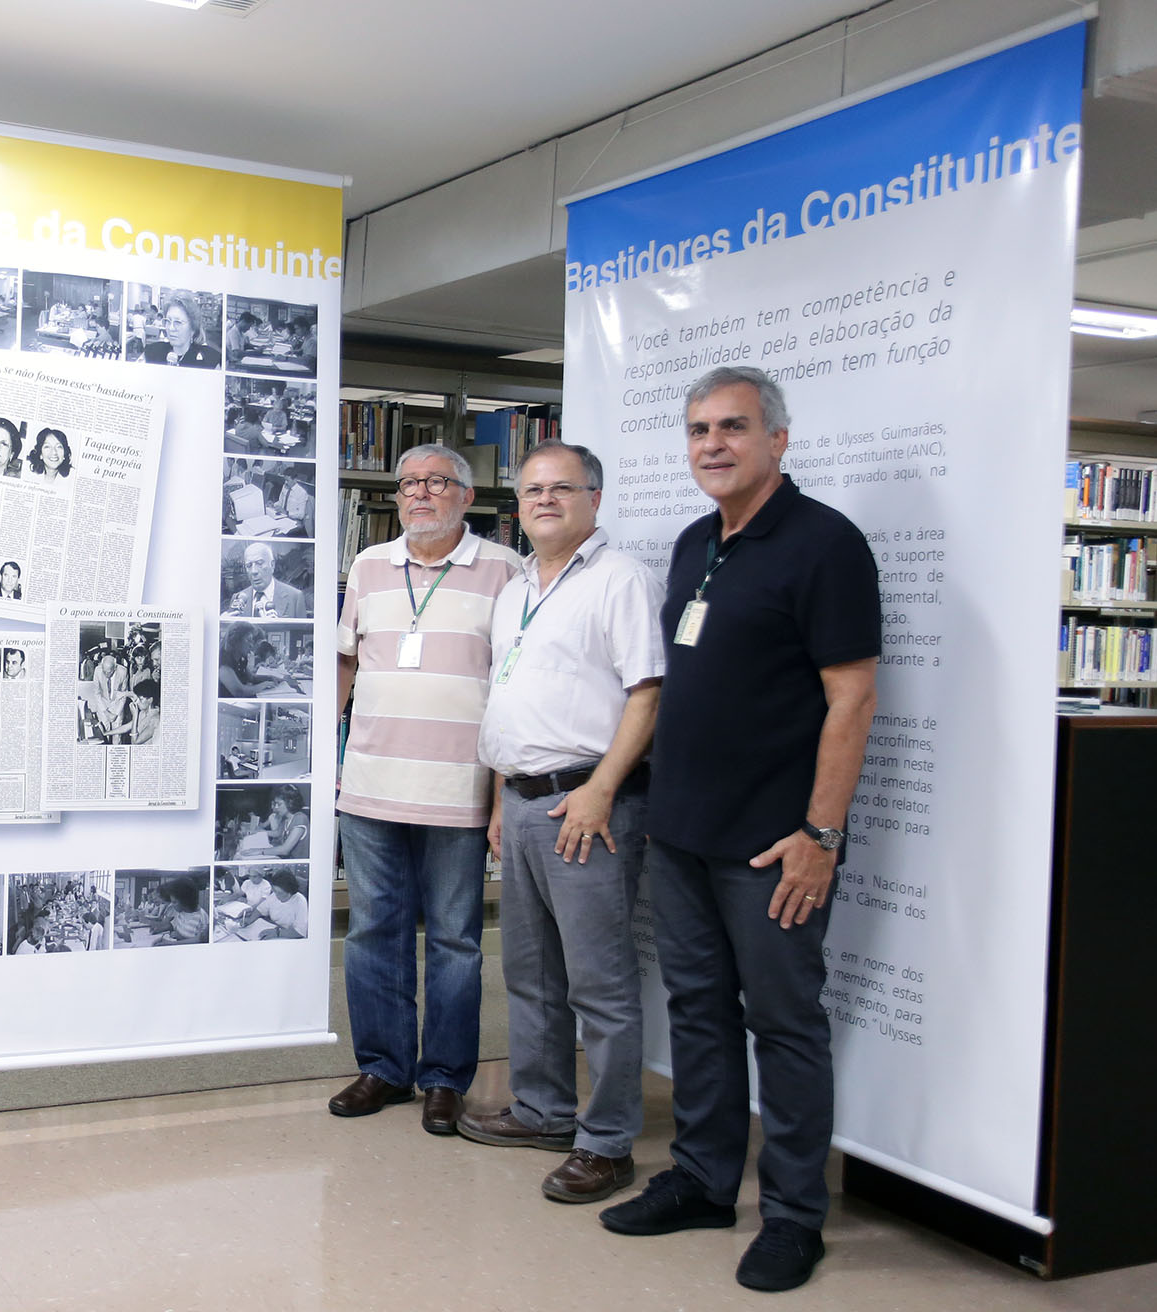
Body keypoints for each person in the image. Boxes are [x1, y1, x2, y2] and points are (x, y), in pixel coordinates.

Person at [597, 367, 879, 1295]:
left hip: (771, 846)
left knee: (785, 1025)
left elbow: (851, 698)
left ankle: (794, 1215)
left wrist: (819, 836)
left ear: (777, 440)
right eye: (697, 431)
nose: (711, 445)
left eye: (732, 428)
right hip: (681, 832)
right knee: (698, 1012)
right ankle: (706, 1181)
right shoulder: (694, 543)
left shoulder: (824, 544)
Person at [456, 442, 666, 1208]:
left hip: (586, 805)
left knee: (598, 984)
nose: (543, 500)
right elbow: (506, 698)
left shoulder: (622, 580)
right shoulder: (515, 588)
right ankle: (543, 1112)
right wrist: (495, 804)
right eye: (531, 489)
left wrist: (602, 789)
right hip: (520, 801)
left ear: (594, 498)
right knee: (531, 973)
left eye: (561, 488)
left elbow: (647, 693)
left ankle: (606, 1143)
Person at [333, 442, 523, 1135]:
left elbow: (511, 682)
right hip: (370, 785)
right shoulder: (368, 564)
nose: (419, 493)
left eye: (436, 483)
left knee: (455, 940)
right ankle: (382, 1068)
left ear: (466, 497)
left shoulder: (505, 570)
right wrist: (330, 754)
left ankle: (444, 1078)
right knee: (373, 931)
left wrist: (502, 793)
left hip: (458, 790)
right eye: (408, 482)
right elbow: (346, 662)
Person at [226, 542, 307, 619]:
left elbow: (301, 632)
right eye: (249, 565)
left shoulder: (295, 597)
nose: (254, 571)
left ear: (272, 565)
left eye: (259, 563)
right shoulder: (238, 598)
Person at [218, 621, 295, 697]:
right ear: (236, 640)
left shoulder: (241, 658)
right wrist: (264, 685)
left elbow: (251, 677)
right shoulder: (223, 659)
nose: (251, 645)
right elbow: (239, 691)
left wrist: (270, 677)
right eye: (248, 640)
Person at [142, 292, 219, 367]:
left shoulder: (209, 360)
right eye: (168, 321)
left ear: (192, 327)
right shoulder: (152, 352)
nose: (171, 328)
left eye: (178, 322)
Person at [259, 868, 309, 939]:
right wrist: (248, 920)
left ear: (289, 892)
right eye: (274, 891)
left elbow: (300, 932)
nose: (276, 895)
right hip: (275, 928)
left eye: (279, 893)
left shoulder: (300, 901)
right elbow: (261, 909)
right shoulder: (274, 895)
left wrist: (277, 933)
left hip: (289, 936)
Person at [155, 877, 207, 945]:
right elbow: (173, 926)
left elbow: (199, 940)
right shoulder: (180, 912)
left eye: (174, 902)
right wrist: (160, 929)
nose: (172, 905)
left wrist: (172, 943)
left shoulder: (201, 916)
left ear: (186, 901)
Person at [265, 786, 309, 858]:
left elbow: (285, 850)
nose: (276, 807)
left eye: (279, 804)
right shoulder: (285, 818)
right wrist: (258, 832)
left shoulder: (300, 818)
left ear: (290, 803)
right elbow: (277, 833)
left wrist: (259, 851)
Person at [128, 679, 162, 746]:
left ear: (150, 700)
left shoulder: (155, 719)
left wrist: (134, 716)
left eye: (140, 699)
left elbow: (135, 742)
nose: (137, 702)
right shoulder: (143, 712)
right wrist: (105, 733)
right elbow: (128, 726)